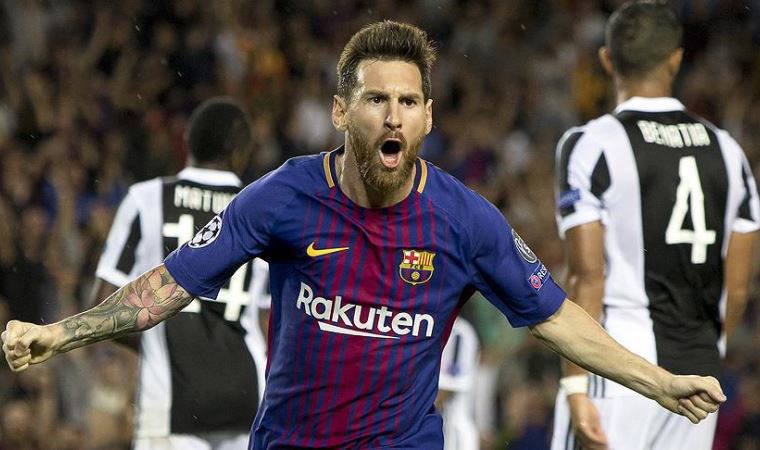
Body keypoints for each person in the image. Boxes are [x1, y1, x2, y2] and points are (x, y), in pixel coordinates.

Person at [3, 20, 725, 449]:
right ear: (341, 111)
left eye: (409, 101)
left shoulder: (464, 219)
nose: (393, 114)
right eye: (376, 98)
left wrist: (660, 383)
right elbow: (169, 285)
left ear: (428, 117)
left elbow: (556, 317)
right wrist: (60, 334)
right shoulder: (284, 196)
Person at [549, 3, 759, 450]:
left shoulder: (590, 144)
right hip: (699, 373)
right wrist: (707, 351)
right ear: (676, 59)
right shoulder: (729, 151)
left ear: (607, 60)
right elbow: (739, 288)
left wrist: (575, 385)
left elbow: (587, 276)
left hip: (616, 367)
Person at [93, 97, 270, 449]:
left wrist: (158, 343)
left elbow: (104, 303)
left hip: (171, 400)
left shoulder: (147, 198)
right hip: (247, 396)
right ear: (241, 149)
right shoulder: (261, 210)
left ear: (187, 140)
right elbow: (269, 322)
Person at [437, 317, 480, 450]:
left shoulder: (460, 332)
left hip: (454, 431)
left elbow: (447, 389)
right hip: (433, 427)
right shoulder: (428, 325)